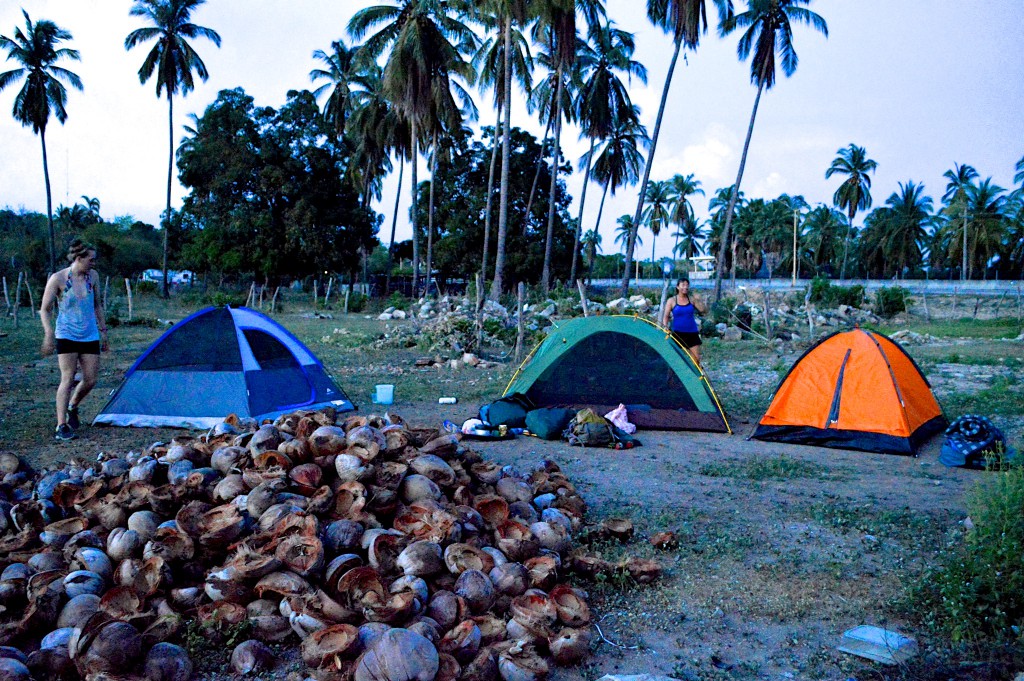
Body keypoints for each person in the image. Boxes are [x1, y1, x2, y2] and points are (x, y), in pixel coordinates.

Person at [40, 239, 108, 441]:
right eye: (91, 259)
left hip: (89, 334)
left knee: (91, 379)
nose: (94, 263)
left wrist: (103, 331)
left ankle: (73, 405)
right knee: (67, 378)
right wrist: (48, 333)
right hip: (67, 334)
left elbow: (97, 305)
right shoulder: (58, 278)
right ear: (79, 259)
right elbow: (45, 309)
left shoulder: (93, 277)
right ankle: (61, 425)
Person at [662, 277, 707, 365]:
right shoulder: (672, 300)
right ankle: (672, 378)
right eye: (683, 285)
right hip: (677, 333)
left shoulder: (692, 300)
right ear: (678, 287)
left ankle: (695, 377)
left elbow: (703, 310)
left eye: (687, 285)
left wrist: (698, 299)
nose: (685, 287)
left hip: (692, 333)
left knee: (696, 359)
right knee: (675, 360)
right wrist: (665, 327)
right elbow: (666, 316)